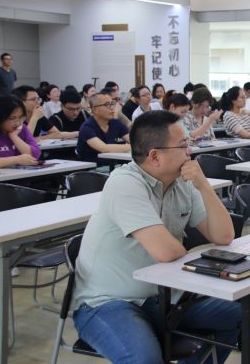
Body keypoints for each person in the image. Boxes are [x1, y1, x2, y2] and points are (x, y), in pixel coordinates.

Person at [72, 110, 240, 364]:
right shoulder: (124, 183)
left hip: (165, 298)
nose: (189, 152)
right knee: (145, 359)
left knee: (238, 314)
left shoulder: (183, 182)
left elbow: (224, 236)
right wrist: (181, 249)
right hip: (109, 302)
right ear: (154, 156)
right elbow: (166, 252)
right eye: (182, 145)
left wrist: (204, 185)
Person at [0, 95, 40, 168]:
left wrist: (14, 137)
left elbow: (35, 155)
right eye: (12, 118)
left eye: (21, 117)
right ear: (0, 117)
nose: (17, 123)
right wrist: (17, 160)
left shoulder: (22, 128)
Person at [76, 92, 130, 163]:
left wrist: (137, 144)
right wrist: (134, 147)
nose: (112, 108)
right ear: (95, 109)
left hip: (113, 165)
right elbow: (104, 148)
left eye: (112, 103)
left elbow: (132, 140)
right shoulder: (87, 127)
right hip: (93, 167)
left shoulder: (115, 123)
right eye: (107, 104)